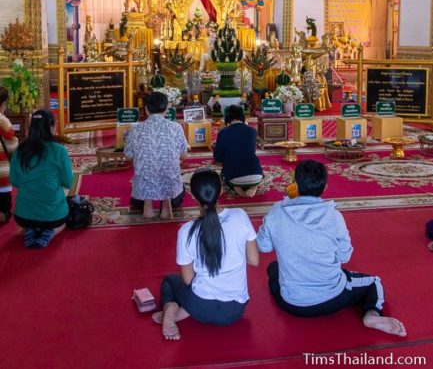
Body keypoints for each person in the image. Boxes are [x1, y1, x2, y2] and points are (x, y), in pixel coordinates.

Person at [257, 159, 406, 337]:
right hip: (333, 298)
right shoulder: (334, 216)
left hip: (291, 303)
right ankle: (372, 314)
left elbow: (263, 247)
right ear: (325, 186)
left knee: (273, 267)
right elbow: (345, 257)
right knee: (374, 282)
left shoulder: (276, 212)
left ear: (295, 185)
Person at [152, 169, 259, 340]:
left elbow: (188, 279)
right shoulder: (240, 216)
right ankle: (181, 311)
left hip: (199, 307)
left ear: (193, 196)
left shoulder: (186, 231)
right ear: (221, 190)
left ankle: (173, 310)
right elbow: (254, 260)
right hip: (234, 312)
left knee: (170, 281)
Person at [10, 110, 73, 248]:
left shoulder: (20, 150)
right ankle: (49, 233)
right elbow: (68, 182)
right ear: (51, 128)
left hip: (22, 217)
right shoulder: (59, 150)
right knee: (64, 221)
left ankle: (31, 229)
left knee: (33, 217)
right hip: (53, 217)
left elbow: (14, 181)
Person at [125, 91, 188, 219]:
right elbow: (183, 156)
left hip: (144, 181)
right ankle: (167, 208)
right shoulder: (176, 128)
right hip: (170, 179)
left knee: (145, 170)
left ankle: (147, 208)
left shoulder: (135, 129)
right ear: (166, 109)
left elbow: (128, 157)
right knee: (168, 170)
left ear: (146, 110)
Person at [213, 105, 263, 198]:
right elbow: (250, 150)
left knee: (227, 174)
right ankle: (253, 186)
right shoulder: (252, 131)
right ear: (242, 116)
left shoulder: (223, 132)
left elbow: (218, 158)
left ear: (227, 117)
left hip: (234, 176)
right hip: (256, 174)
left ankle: (237, 188)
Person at [0, 87, 19, 223]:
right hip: (1, 171)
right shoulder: (3, 121)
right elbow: (12, 146)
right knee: (4, 209)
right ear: (3, 104)